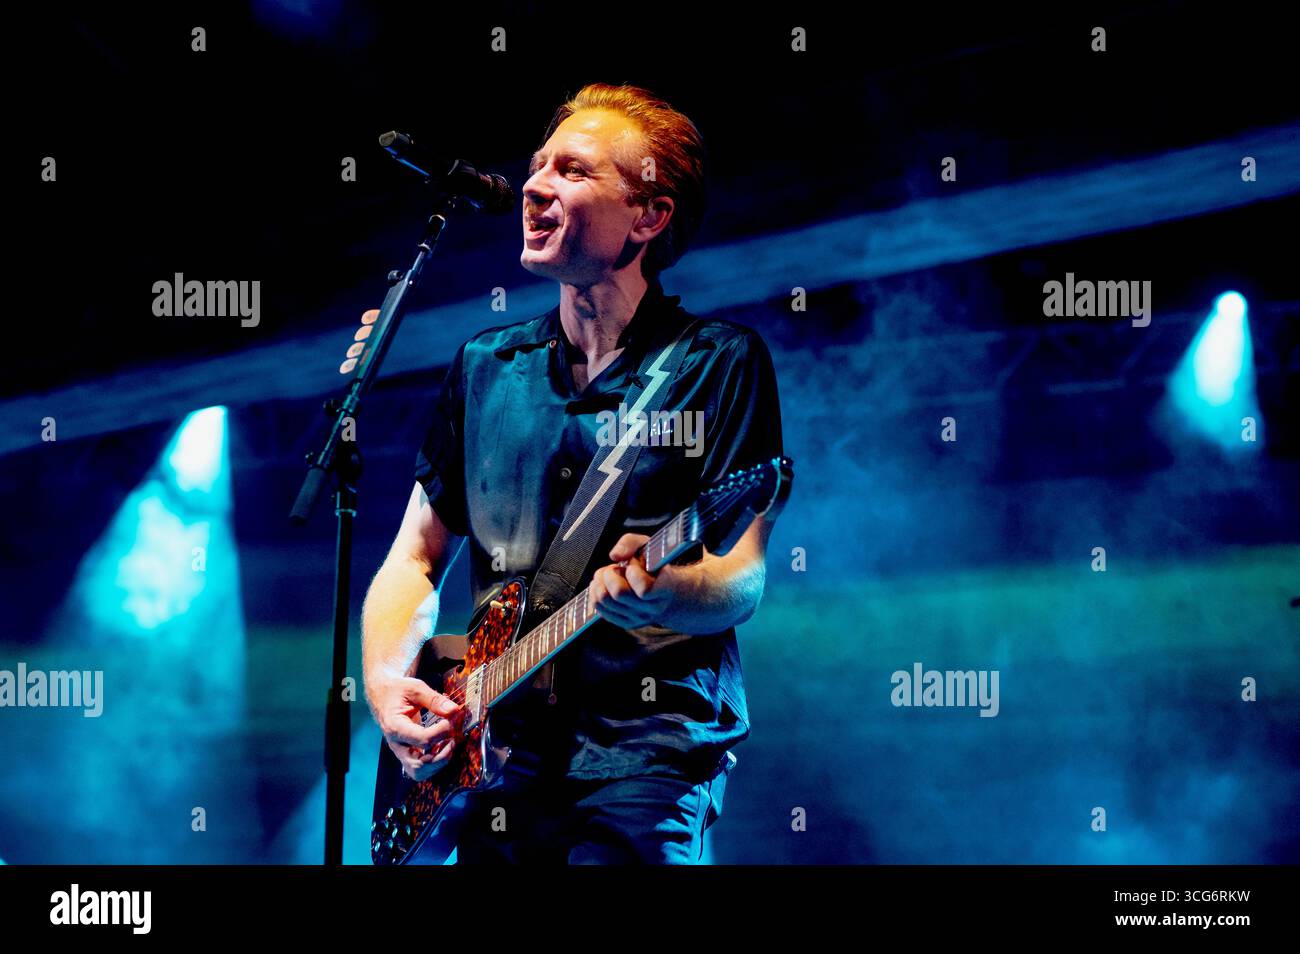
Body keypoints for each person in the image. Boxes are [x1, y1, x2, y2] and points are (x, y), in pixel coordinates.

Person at [361, 83, 784, 863]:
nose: (533, 185)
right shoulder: (486, 366)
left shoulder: (718, 364)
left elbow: (742, 577)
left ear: (649, 216)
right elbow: (413, 558)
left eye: (573, 171)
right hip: (494, 758)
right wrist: (388, 687)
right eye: (535, 166)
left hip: (643, 752)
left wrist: (670, 588)